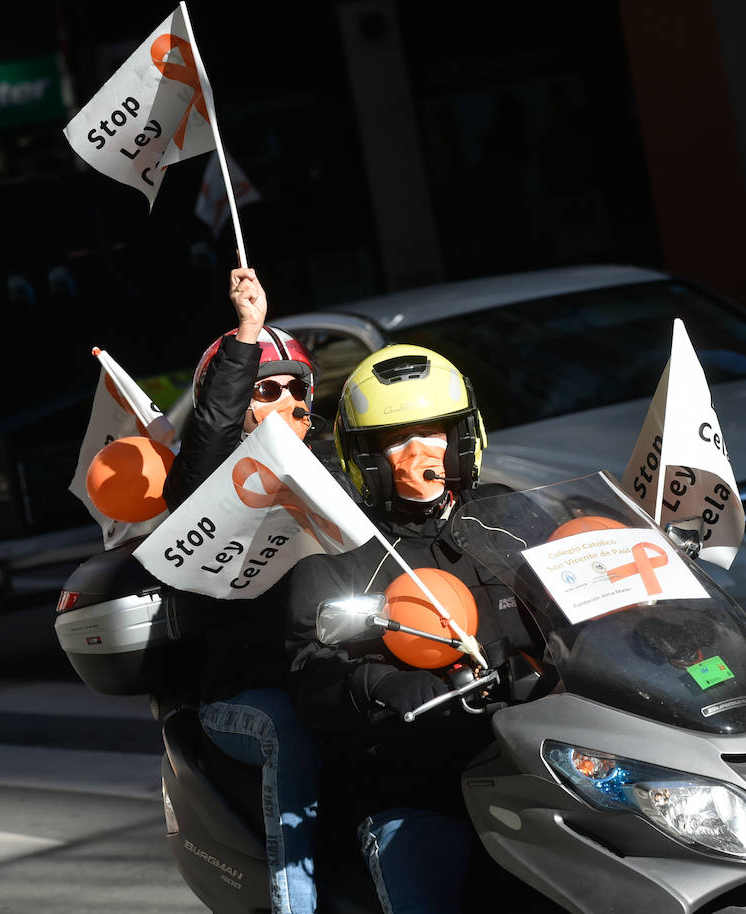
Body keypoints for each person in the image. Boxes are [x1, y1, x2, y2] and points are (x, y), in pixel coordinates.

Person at [285, 344, 541, 913]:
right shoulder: (343, 553)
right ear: (366, 457)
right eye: (398, 439)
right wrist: (381, 685)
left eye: (435, 432)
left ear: (464, 438)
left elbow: (580, 587)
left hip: (542, 756)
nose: (420, 452)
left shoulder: (508, 518)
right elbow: (310, 670)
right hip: (423, 779)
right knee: (426, 872)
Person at [160, 267, 321, 914]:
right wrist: (249, 335)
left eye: (293, 387)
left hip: (333, 674)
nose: (283, 398)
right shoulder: (209, 490)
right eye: (265, 389)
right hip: (246, 694)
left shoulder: (335, 470)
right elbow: (205, 454)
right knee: (288, 728)